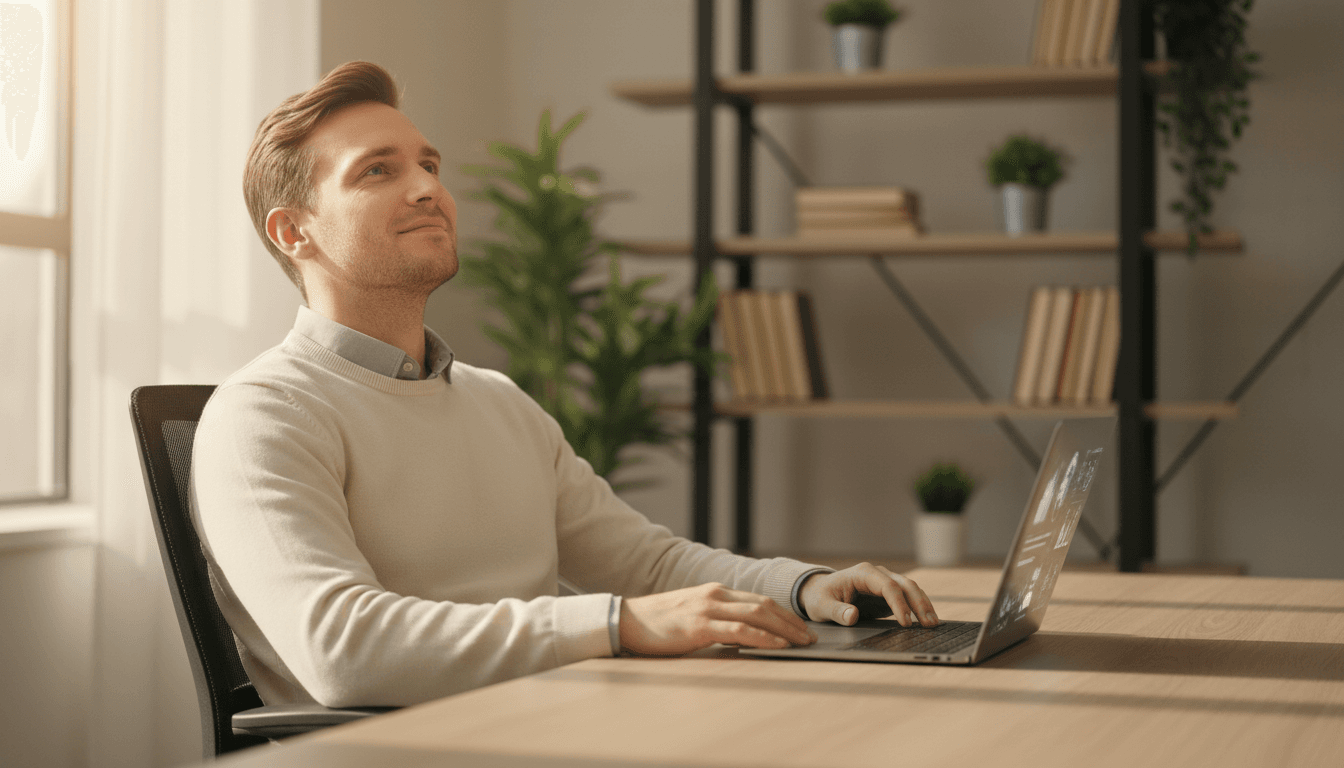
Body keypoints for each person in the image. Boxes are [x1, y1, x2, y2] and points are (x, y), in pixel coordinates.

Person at [191, 60, 939, 709]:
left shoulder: (498, 400)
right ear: (294, 232)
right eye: (378, 170)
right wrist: (619, 624)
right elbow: (341, 651)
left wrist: (804, 587)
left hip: (559, 719)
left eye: (430, 164)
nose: (427, 188)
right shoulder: (264, 416)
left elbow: (648, 565)